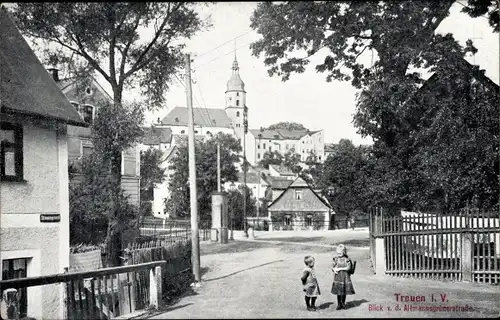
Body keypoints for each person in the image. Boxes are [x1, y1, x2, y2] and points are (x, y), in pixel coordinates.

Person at [330, 244, 355, 310]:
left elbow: (348, 268)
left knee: (344, 290)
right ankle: (339, 304)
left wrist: (340, 269)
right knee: (338, 291)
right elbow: (332, 266)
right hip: (338, 277)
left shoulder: (347, 259)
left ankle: (343, 303)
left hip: (345, 277)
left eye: (340, 253)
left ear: (344, 252)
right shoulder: (335, 259)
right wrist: (334, 269)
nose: (338, 254)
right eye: (337, 253)